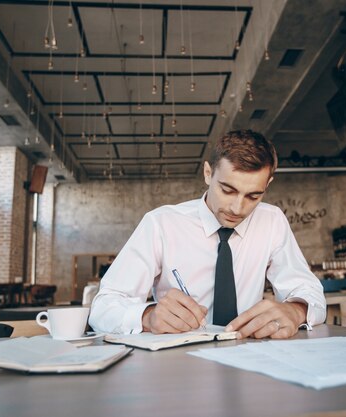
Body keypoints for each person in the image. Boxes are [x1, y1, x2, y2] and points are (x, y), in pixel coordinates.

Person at [89, 130, 326, 339]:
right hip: (178, 362)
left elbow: (309, 290)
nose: (237, 208)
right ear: (207, 173)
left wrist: (295, 311)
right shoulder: (161, 224)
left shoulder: (272, 220)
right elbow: (102, 308)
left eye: (253, 196)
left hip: (249, 354)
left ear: (268, 185)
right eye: (227, 190)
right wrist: (147, 316)